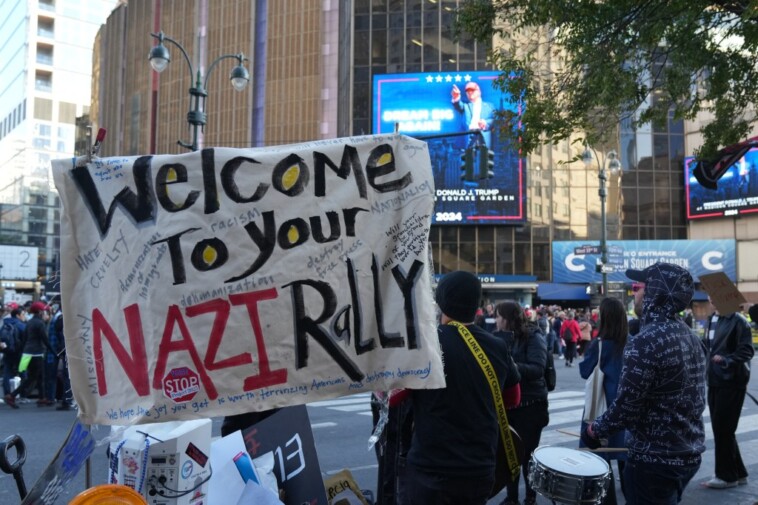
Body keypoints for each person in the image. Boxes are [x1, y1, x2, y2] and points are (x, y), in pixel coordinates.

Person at [582, 262, 707, 505]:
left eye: (642, 287)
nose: (636, 293)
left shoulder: (645, 341)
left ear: (656, 293)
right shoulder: (691, 337)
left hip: (654, 460)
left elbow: (627, 408)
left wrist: (594, 430)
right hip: (687, 453)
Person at [401, 271, 520, 505]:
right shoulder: (496, 345)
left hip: (433, 467)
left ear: (442, 302)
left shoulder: (427, 343)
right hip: (480, 467)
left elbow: (394, 397)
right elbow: (513, 398)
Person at [494, 300, 548, 505]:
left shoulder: (533, 336)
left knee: (527, 455)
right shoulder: (497, 337)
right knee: (509, 454)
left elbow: (537, 368)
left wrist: (511, 366)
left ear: (508, 318)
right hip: (509, 405)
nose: (496, 320)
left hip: (530, 405)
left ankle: (530, 497)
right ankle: (512, 497)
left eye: (499, 316)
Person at [699, 295, 754, 489]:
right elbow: (708, 347)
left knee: (723, 428)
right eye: (710, 296)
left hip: (732, 381)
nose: (711, 300)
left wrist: (727, 360)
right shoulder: (712, 319)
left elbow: (747, 350)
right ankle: (737, 473)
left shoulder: (738, 321)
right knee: (722, 429)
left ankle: (726, 476)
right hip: (714, 380)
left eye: (715, 296)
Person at [579, 297, 629, 505]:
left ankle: (608, 502)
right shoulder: (633, 341)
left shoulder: (600, 345)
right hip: (627, 407)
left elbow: (584, 372)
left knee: (601, 460)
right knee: (627, 460)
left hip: (602, 408)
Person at [4, 301, 54, 408]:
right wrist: (54, 352)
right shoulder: (40, 323)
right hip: (37, 353)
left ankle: (42, 397)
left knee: (39, 376)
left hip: (27, 353)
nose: (45, 313)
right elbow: (45, 340)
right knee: (32, 378)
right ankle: (12, 395)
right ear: (40, 312)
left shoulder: (29, 322)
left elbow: (25, 339)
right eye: (44, 311)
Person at [451, 82, 496, 148]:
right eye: (467, 91)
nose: (469, 92)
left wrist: (486, 123)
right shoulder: (466, 106)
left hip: (483, 136)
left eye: (472, 90)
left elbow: (496, 120)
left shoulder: (489, 106)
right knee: (469, 156)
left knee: (484, 156)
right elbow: (458, 105)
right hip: (470, 137)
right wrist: (456, 98)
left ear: (479, 91)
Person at [1, 306, 27, 396]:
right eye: (23, 314)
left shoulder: (5, 323)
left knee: (7, 373)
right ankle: (23, 394)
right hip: (20, 353)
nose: (25, 316)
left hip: (8, 351)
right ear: (17, 315)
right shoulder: (21, 325)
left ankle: (7, 393)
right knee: (23, 374)